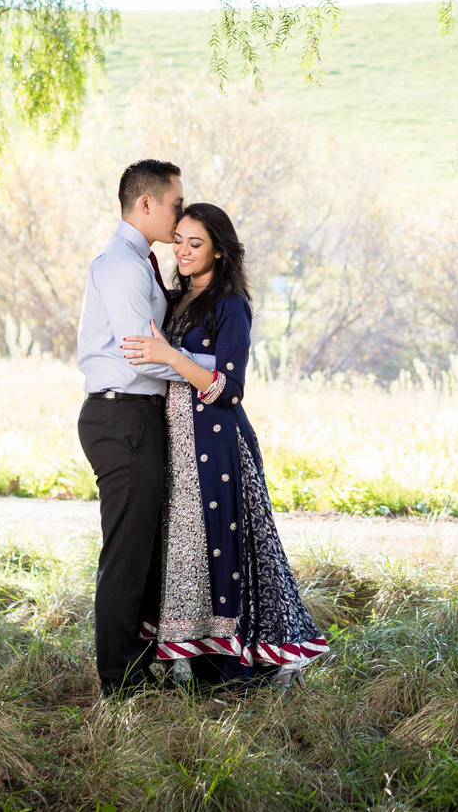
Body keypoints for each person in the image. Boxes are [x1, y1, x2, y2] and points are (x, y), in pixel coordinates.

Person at [121, 203, 328, 691]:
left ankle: (232, 668)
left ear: (218, 249)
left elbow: (229, 388)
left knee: (220, 548)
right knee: (181, 551)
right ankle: (182, 659)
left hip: (215, 444)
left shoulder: (229, 304)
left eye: (197, 243)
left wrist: (171, 355)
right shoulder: (175, 299)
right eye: (179, 240)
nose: (184, 251)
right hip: (175, 443)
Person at [74, 159, 184, 697]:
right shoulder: (121, 265)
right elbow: (142, 353)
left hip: (134, 415)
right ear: (147, 203)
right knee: (125, 553)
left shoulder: (138, 262)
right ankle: (120, 684)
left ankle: (138, 670)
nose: (180, 214)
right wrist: (202, 368)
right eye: (175, 204)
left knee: (141, 550)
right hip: (123, 416)